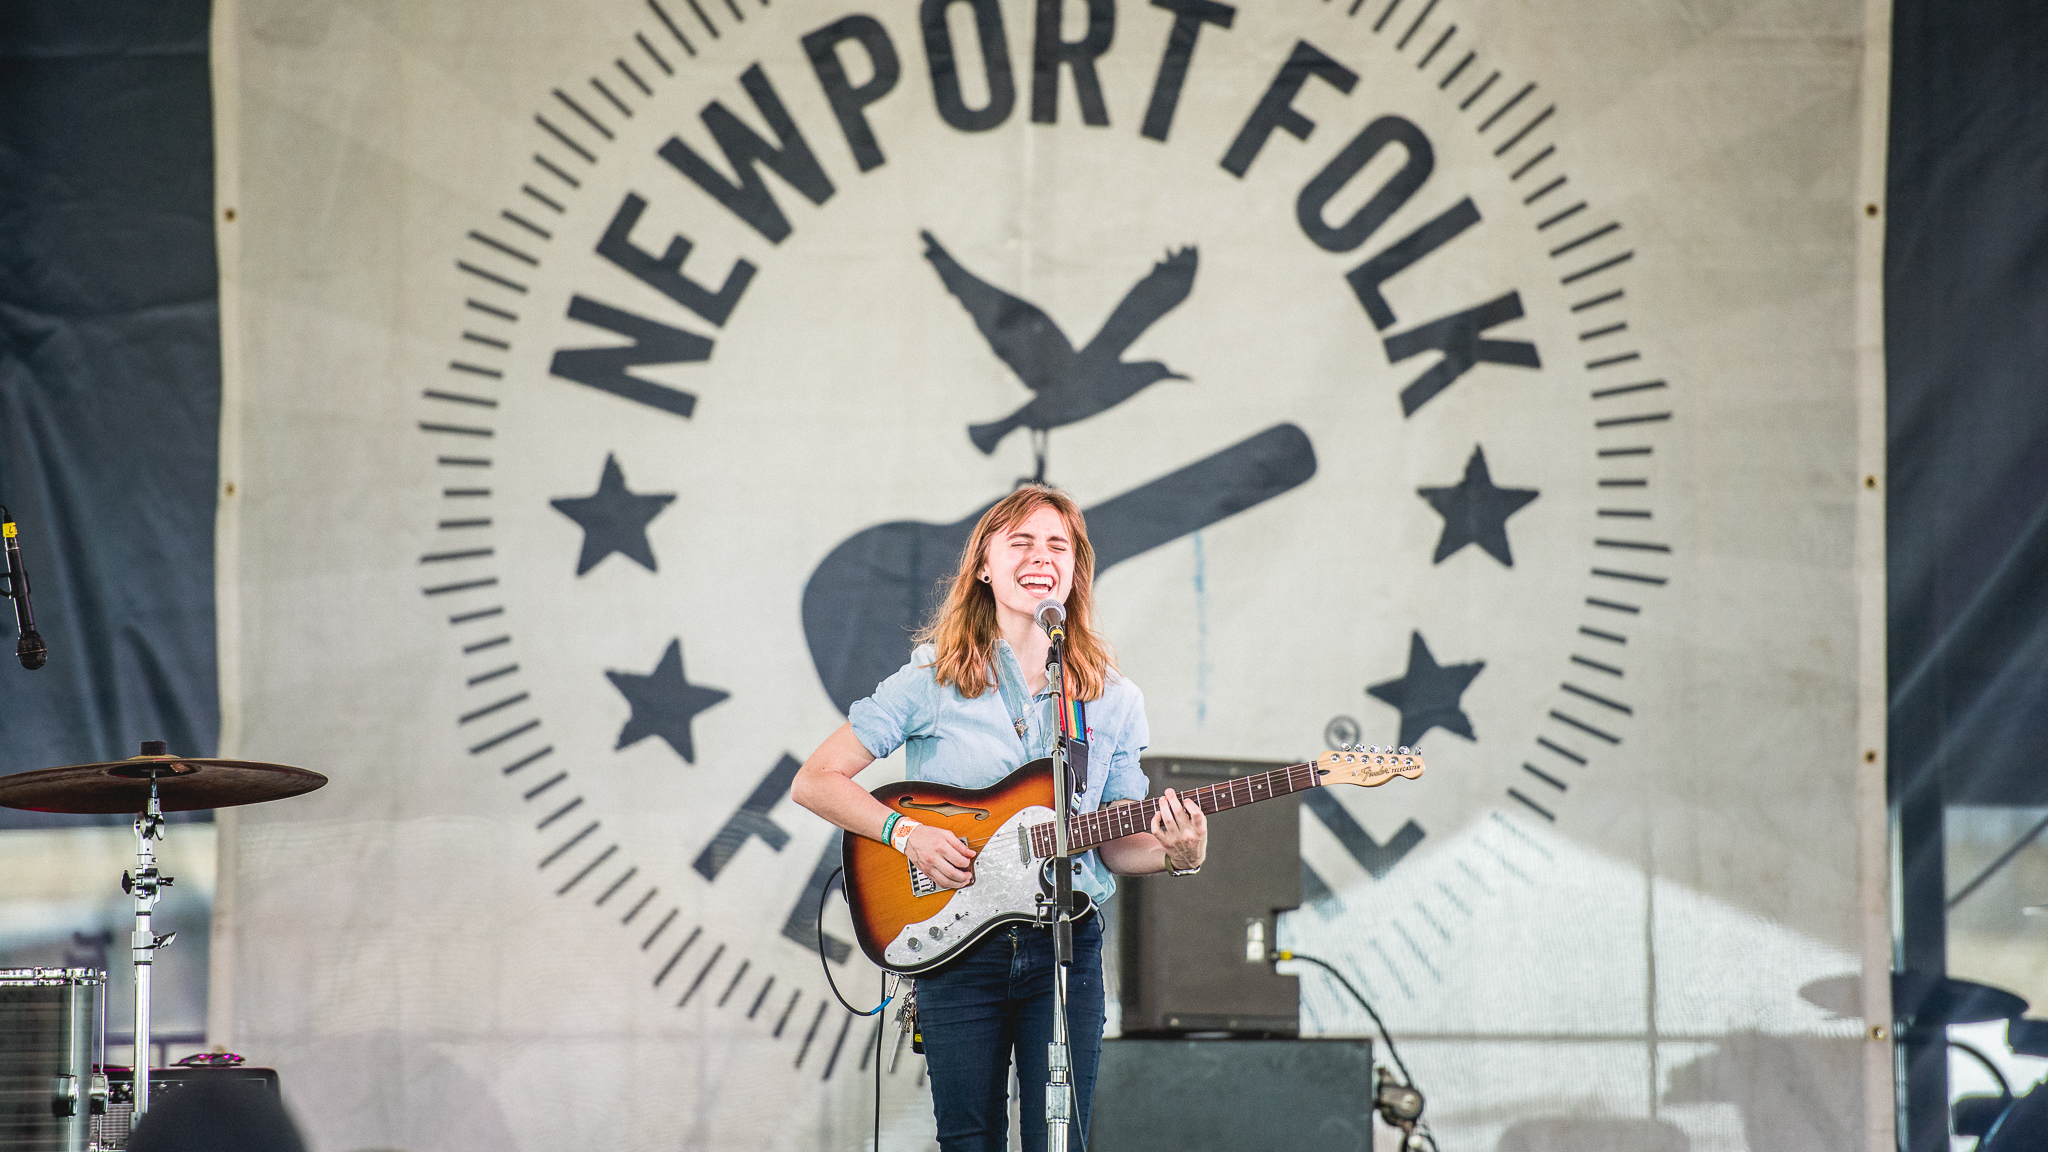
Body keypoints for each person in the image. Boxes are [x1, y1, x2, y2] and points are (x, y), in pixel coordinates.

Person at [791, 484, 1208, 1152]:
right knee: (969, 1139)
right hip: (955, 944)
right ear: (984, 566)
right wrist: (907, 833)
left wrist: (1176, 855)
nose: (1041, 556)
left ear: (1075, 570)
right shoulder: (931, 680)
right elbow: (816, 780)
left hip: (1065, 944)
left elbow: (1116, 841)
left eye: (1058, 546)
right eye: (1022, 542)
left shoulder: (1112, 698)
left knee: (1059, 1140)